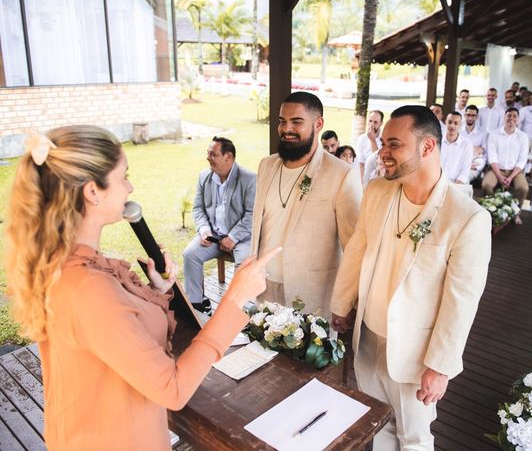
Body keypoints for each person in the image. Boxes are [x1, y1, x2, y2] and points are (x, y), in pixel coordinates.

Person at [4, 125, 280, 450]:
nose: (130, 186)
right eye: (124, 176)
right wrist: (234, 300)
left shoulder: (74, 265)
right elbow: (171, 388)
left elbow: (119, 337)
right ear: (93, 192)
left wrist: (159, 291)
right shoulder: (86, 287)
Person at [330, 105, 491, 450]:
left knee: (414, 438)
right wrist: (341, 306)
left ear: (427, 147)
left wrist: (440, 366)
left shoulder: (467, 218)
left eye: (393, 145)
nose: (382, 153)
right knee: (379, 427)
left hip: (416, 356)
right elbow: (357, 250)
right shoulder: (376, 191)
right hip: (367, 338)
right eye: (383, 144)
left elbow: (461, 302)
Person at [251, 92, 362, 318]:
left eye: (296, 122)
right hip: (264, 289)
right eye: (282, 121)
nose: (286, 129)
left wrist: (347, 302)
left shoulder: (341, 174)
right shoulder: (266, 165)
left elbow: (354, 247)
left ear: (318, 124)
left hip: (313, 296)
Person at [183, 136, 256, 314]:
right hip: (213, 236)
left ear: (228, 157)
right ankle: (197, 303)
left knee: (244, 264)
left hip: (242, 238)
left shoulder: (250, 179)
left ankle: (241, 310)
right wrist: (204, 230)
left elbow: (252, 214)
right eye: (208, 154)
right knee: (190, 254)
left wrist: (233, 238)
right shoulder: (204, 176)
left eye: (213, 154)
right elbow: (198, 208)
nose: (208, 158)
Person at [482, 107, 529, 224]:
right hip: (497, 169)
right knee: (486, 184)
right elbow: (492, 157)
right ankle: (494, 210)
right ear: (504, 117)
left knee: (523, 188)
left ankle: (516, 213)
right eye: (509, 115)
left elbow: (522, 160)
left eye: (514, 116)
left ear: (518, 119)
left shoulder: (523, 136)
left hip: (515, 171)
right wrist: (500, 176)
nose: (511, 119)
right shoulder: (494, 134)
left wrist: (510, 177)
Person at [441, 111, 473, 184]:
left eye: (456, 123)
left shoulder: (467, 144)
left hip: (456, 183)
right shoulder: (437, 140)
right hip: (436, 182)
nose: (452, 126)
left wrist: (455, 188)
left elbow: (465, 170)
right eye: (449, 122)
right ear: (445, 122)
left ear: (460, 125)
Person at [461, 105, 488, 182]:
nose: (470, 118)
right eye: (468, 115)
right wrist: (475, 149)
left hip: (475, 163)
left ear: (477, 117)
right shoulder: (458, 130)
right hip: (459, 162)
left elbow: (484, 154)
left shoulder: (483, 133)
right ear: (465, 115)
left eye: (473, 115)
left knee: (464, 178)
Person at [356, 110, 384, 179]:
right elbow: (360, 163)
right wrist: (362, 182)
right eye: (370, 121)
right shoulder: (362, 138)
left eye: (375, 122)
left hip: (380, 176)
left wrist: (372, 140)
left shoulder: (385, 138)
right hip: (366, 176)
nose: (372, 124)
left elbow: (377, 162)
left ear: (381, 123)